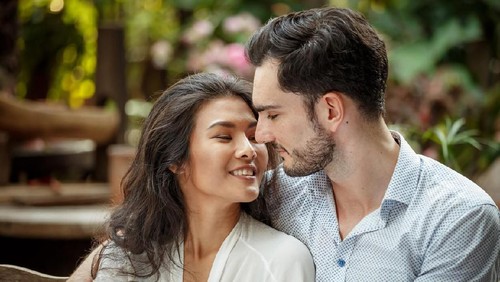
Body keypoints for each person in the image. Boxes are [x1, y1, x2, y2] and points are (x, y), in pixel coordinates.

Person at [246, 6, 500, 282]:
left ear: (330, 111)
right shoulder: (269, 197)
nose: (261, 135)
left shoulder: (456, 217)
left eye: (273, 115)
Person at [68, 72, 314, 281]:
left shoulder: (282, 262)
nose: (249, 150)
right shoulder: (129, 255)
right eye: (224, 137)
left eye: (253, 137)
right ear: (176, 159)